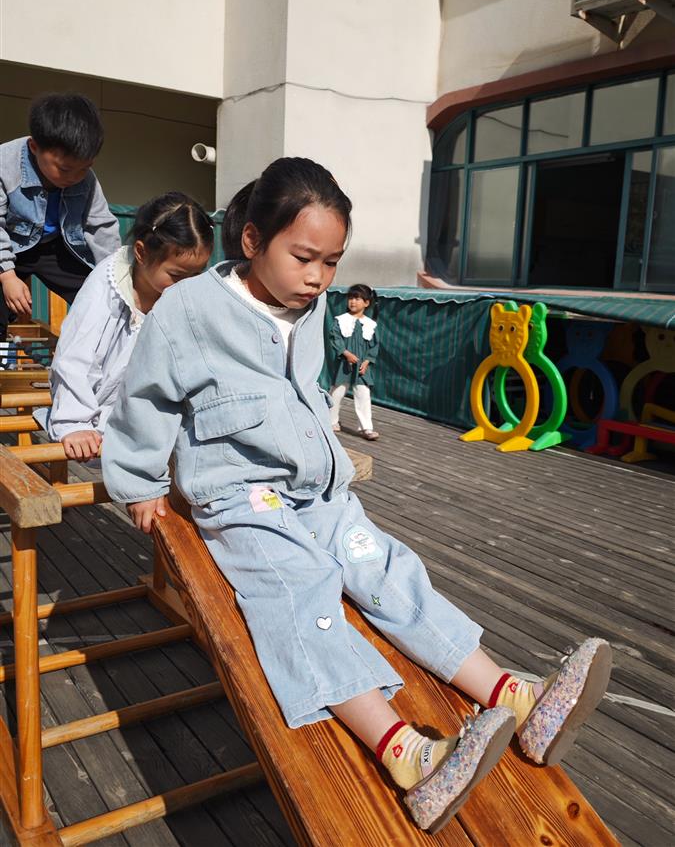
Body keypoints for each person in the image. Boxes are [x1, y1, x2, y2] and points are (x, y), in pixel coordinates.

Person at [102, 158, 611, 834]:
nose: (318, 276)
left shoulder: (310, 307)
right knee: (298, 591)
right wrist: (140, 484)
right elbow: (146, 399)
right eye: (303, 257)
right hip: (240, 496)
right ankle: (408, 757)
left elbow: (305, 391)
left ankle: (513, 695)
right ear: (252, 240)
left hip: (316, 488)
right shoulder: (190, 309)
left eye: (332, 262)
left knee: (387, 568)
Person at [46, 193, 213, 461]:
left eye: (197, 275)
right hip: (93, 409)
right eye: (177, 275)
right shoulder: (107, 286)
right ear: (141, 252)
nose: (187, 285)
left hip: (145, 415)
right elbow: (76, 357)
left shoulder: (184, 297)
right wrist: (74, 422)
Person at [0, 92, 120, 341]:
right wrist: (8, 275)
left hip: (56, 247)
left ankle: (95, 349)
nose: (75, 177)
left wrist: (116, 277)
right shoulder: (5, 165)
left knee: (101, 296)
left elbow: (101, 226)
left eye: (84, 168)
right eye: (65, 169)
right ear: (34, 147)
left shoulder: (86, 180)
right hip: (8, 245)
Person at [329, 283, 380, 440]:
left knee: (363, 394)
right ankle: (330, 421)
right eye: (351, 298)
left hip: (361, 367)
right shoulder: (341, 320)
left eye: (357, 299)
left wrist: (367, 361)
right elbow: (335, 338)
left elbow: (374, 346)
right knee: (337, 393)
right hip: (344, 364)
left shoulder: (371, 324)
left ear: (366, 303)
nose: (353, 302)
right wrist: (346, 353)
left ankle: (366, 428)